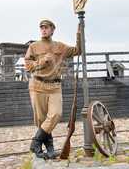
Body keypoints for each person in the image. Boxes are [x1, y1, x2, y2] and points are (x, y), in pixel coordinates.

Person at [24, 19, 81, 159]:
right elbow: (28, 65)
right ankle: (50, 149)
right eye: (41, 27)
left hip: (55, 86)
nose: (43, 30)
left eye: (46, 27)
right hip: (38, 85)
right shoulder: (34, 46)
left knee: (56, 114)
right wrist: (42, 62)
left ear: (52, 30)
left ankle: (35, 143)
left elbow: (78, 50)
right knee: (41, 119)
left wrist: (79, 33)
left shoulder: (60, 46)